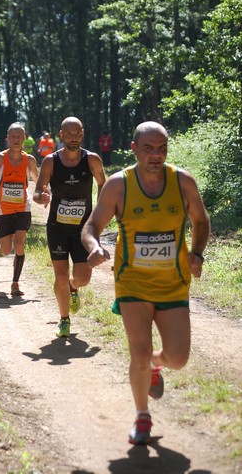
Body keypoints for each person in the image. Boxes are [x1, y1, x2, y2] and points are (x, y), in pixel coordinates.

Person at [81, 121, 210, 445]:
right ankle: (142, 417)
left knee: (178, 358)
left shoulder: (182, 182)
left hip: (173, 283)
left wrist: (196, 253)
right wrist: (94, 247)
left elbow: (201, 220)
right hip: (132, 283)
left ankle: (157, 363)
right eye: (149, 148)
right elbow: (91, 225)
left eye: (162, 148)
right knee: (137, 353)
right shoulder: (118, 185)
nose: (156, 155)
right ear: (134, 149)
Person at [33, 116, 106, 337]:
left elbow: (103, 183)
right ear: (61, 135)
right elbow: (38, 190)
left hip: (83, 229)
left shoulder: (92, 160)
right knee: (60, 275)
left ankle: (74, 288)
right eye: (69, 134)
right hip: (57, 227)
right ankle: (64, 320)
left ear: (82, 134)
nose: (73, 138)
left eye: (77, 134)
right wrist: (41, 197)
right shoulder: (50, 161)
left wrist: (99, 210)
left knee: (83, 278)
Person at [0, 123, 38, 296]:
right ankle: (1, 247)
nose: (15, 139)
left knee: (19, 244)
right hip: (4, 209)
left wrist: (45, 192)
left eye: (19, 136)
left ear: (24, 138)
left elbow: (37, 180)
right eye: (12, 136)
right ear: (8, 138)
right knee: (6, 251)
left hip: (23, 208)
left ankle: (15, 283)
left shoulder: (29, 160)